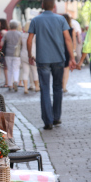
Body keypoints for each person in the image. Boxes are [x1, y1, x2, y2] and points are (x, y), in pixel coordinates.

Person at [27, 0, 76, 130]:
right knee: (57, 88)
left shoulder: (36, 20)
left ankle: (47, 121)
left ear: (42, 6)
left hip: (42, 59)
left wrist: (30, 55)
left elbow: (29, 40)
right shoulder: (61, 19)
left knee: (44, 89)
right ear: (54, 6)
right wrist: (72, 57)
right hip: (59, 59)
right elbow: (67, 39)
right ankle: (56, 118)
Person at [1, 20, 22, 92]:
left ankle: (10, 84)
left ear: (10, 26)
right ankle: (15, 81)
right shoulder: (19, 34)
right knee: (16, 69)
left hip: (8, 53)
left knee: (9, 69)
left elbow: (1, 43)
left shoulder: (6, 34)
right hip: (17, 54)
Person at [20, 21, 40, 94]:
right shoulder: (34, 35)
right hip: (33, 54)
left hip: (23, 54)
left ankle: (25, 88)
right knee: (34, 71)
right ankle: (37, 87)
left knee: (25, 72)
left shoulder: (22, 35)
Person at [62, 14, 76, 93]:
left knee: (60, 68)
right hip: (68, 50)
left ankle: (61, 85)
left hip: (60, 50)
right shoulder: (71, 29)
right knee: (66, 69)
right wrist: (73, 52)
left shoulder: (59, 29)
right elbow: (73, 42)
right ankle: (64, 87)